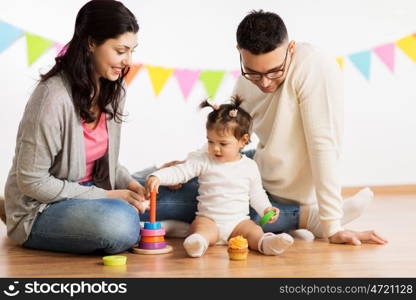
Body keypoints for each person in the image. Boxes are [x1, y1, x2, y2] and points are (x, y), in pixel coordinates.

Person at [2, 0, 147, 254]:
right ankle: (11, 213)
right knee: (120, 223)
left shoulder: (113, 90)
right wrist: (108, 197)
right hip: (41, 207)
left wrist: (130, 183)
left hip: (95, 191)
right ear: (91, 43)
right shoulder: (51, 98)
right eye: (121, 50)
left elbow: (100, 161)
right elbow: (32, 181)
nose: (128, 61)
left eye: (132, 51)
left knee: (173, 193)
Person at [232, 10, 388, 245]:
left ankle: (309, 217)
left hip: (288, 190)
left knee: (194, 206)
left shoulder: (313, 66)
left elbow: (322, 144)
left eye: (274, 71)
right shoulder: (247, 78)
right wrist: (196, 163)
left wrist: (332, 225)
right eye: (254, 73)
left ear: (291, 48)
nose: (264, 82)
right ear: (239, 52)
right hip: (260, 171)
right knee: (169, 180)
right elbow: (227, 132)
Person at [145, 97, 294, 257]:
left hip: (238, 223)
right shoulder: (204, 161)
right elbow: (181, 171)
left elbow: (256, 194)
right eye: (210, 142)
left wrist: (266, 209)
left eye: (223, 144)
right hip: (209, 220)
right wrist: (158, 176)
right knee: (200, 228)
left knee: (254, 230)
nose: (215, 148)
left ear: (243, 141)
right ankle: (198, 242)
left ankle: (266, 243)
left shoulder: (249, 166)